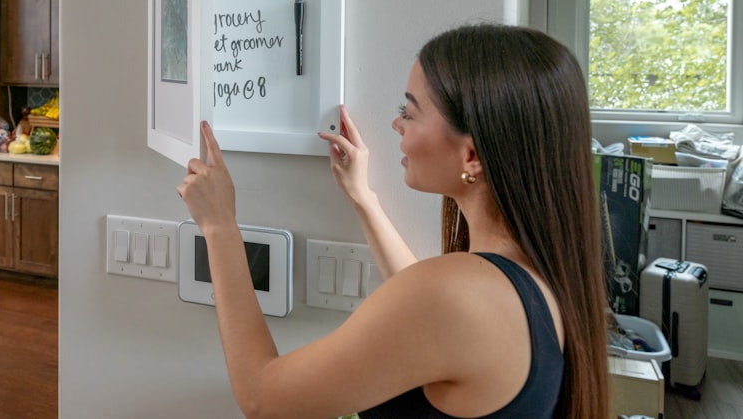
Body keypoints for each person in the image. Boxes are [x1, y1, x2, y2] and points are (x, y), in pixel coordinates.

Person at [177, 23, 610, 419]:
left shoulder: (456, 295)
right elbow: (425, 307)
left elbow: (262, 398)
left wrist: (220, 227)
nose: (396, 124)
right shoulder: (530, 274)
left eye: (411, 112)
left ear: (472, 155)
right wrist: (364, 199)